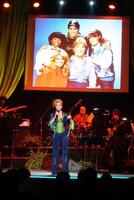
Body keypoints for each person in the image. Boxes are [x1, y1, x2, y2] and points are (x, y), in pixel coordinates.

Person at [48, 99, 74, 175]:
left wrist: (70, 118)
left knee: (64, 153)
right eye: (56, 105)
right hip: (56, 135)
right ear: (55, 106)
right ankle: (54, 171)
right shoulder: (52, 114)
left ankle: (65, 171)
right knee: (55, 153)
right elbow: (50, 124)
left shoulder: (65, 114)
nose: (58, 106)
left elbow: (71, 124)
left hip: (64, 135)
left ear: (62, 106)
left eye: (59, 105)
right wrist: (55, 117)